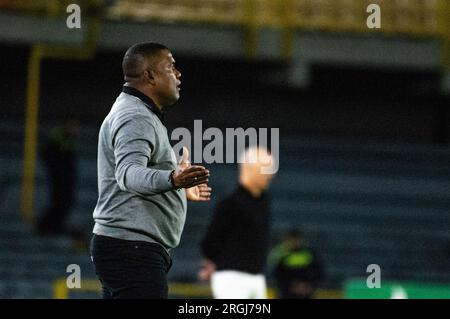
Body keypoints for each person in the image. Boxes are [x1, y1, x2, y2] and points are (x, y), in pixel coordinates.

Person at [90, 42, 212, 299]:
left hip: (126, 248)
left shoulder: (136, 112)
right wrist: (173, 178)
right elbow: (129, 174)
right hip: (131, 250)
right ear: (150, 75)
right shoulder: (136, 116)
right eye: (170, 67)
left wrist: (177, 191)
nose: (178, 74)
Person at [198, 146, 276, 299]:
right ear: (250, 168)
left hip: (257, 278)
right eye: (266, 168)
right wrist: (217, 262)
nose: (271, 174)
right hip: (231, 278)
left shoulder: (264, 203)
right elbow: (209, 241)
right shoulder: (230, 204)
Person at [36, 119, 80, 238]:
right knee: (60, 201)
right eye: (73, 126)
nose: (76, 130)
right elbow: (52, 154)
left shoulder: (69, 141)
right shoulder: (57, 137)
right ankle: (46, 226)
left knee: (65, 202)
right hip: (58, 178)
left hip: (64, 179)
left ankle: (52, 226)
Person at [269, 229, 323, 299]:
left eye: (297, 239)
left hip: (306, 293)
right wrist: (293, 286)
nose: (294, 242)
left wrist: (308, 285)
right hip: (286, 293)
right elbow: (276, 274)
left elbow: (319, 272)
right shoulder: (280, 254)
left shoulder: (310, 254)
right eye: (292, 239)